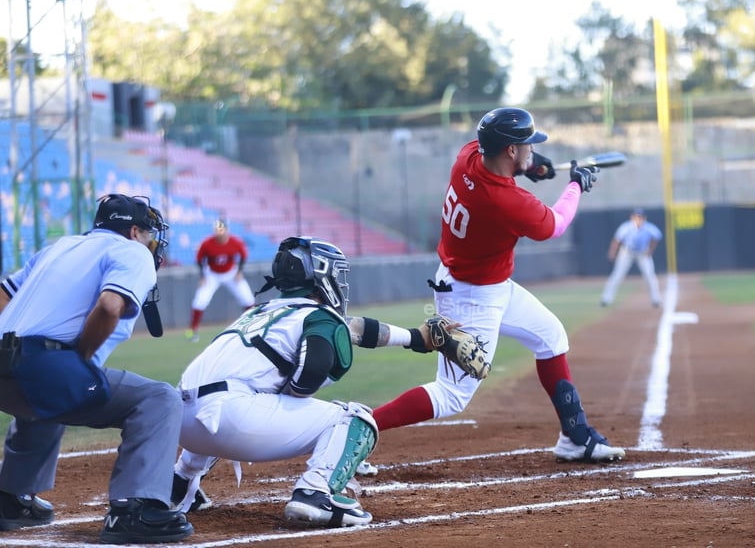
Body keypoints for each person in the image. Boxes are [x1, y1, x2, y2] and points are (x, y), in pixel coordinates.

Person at [370, 107, 626, 464]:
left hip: (488, 284)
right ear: (509, 151)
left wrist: (532, 166)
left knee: (550, 336)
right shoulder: (506, 201)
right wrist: (574, 186)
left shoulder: (468, 156)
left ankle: (575, 436)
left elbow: (499, 159)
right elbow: (554, 224)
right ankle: (360, 425)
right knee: (451, 396)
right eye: (526, 146)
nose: (531, 149)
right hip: (469, 298)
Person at [169, 236, 455, 527]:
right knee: (355, 418)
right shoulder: (315, 316)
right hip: (233, 419)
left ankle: (178, 483)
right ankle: (316, 492)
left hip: (182, 422)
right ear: (321, 274)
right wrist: (291, 392)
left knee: (214, 402)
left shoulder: (260, 312)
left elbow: (353, 328)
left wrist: (415, 338)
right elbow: (312, 373)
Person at [0, 194, 193, 544]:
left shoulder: (60, 247)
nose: (152, 241)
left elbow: (3, 293)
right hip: (43, 366)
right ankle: (134, 510)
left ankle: (10, 500)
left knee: (50, 399)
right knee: (158, 399)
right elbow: (109, 305)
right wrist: (81, 357)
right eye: (149, 234)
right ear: (134, 231)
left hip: (8, 360)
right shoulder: (133, 252)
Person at [186, 219, 255, 342]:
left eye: (222, 230)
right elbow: (199, 260)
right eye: (217, 230)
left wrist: (239, 272)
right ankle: (193, 331)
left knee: (248, 299)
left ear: (227, 230)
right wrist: (202, 277)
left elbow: (244, 256)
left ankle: (254, 327)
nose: (219, 233)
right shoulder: (207, 243)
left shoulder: (235, 242)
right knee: (200, 300)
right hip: (212, 273)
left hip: (231, 272)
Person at [600, 208, 663, 308]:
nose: (639, 219)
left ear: (644, 218)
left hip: (642, 252)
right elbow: (616, 240)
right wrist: (612, 253)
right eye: (637, 217)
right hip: (627, 252)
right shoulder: (626, 227)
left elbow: (657, 237)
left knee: (650, 275)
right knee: (617, 275)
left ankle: (656, 300)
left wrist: (650, 251)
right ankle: (606, 299)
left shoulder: (648, 227)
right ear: (632, 218)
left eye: (641, 217)